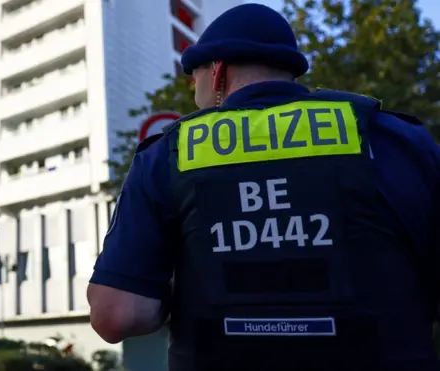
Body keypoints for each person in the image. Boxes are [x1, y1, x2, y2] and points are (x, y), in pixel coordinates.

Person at [87, 3, 440, 371]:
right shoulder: (396, 138)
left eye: (195, 78)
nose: (195, 93)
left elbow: (117, 315)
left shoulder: (167, 155)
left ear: (218, 72)